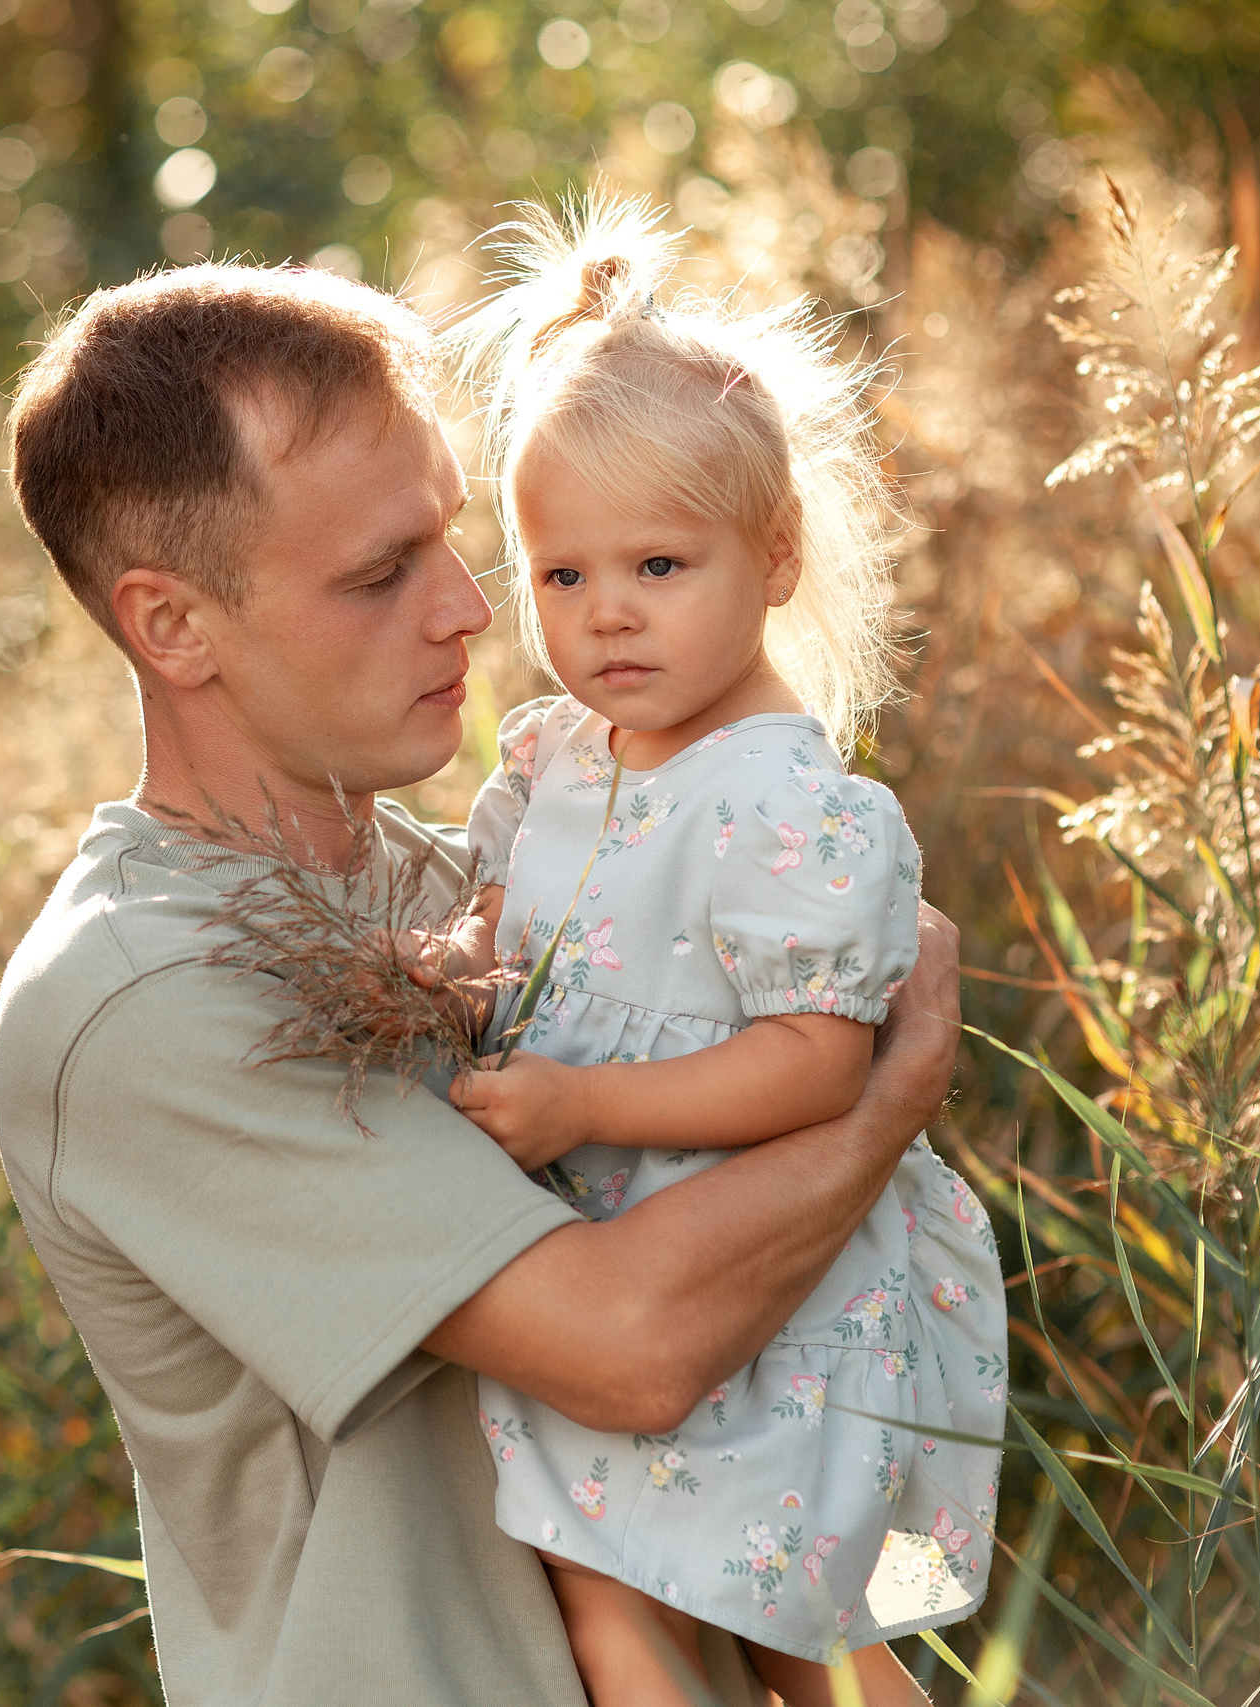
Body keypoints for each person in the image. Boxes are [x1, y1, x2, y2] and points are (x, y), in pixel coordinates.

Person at [0, 256, 963, 1707]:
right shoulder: (144, 993)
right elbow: (629, 1350)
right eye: (380, 573)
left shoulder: (484, 887)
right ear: (173, 623)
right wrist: (887, 1091)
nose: (466, 609)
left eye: (451, 538)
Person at [402, 204, 1002, 1707]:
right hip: (619, 1254)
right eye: (562, 576)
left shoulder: (790, 804)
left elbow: (819, 1067)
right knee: (648, 1592)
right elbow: (512, 913)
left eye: (661, 565)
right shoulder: (557, 755)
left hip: (773, 1274)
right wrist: (462, 959)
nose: (607, 614)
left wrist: (584, 1105)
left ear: (776, 556)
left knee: (777, 1624)